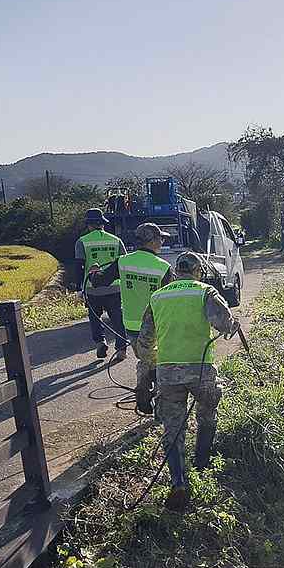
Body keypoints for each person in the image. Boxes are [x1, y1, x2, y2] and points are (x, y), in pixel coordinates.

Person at [136, 250, 240, 511]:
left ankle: (178, 482)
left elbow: (145, 341)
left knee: (173, 428)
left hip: (167, 374)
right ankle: (202, 464)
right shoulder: (204, 291)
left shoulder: (158, 297)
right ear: (198, 271)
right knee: (207, 414)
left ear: (176, 272)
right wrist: (233, 324)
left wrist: (150, 367)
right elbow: (224, 324)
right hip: (201, 370)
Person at [88, 222, 173, 413]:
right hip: (157, 326)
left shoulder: (123, 262)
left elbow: (100, 281)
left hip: (131, 325)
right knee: (160, 363)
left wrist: (93, 272)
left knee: (145, 359)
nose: (162, 241)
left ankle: (143, 395)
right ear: (151, 241)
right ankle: (161, 405)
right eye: (160, 238)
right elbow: (171, 298)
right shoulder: (164, 267)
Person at [75, 208, 128, 360]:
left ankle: (100, 342)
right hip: (115, 287)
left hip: (93, 289)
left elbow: (79, 266)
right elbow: (124, 263)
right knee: (118, 318)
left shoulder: (82, 242)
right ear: (102, 224)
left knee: (95, 317)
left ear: (88, 225)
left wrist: (79, 288)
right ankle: (121, 349)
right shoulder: (115, 240)